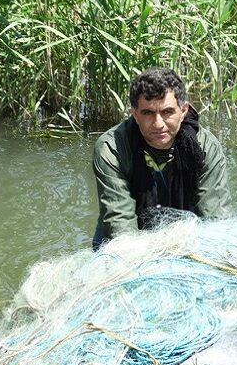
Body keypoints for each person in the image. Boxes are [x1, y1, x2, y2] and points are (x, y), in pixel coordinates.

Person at [92, 67, 229, 248]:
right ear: (134, 113)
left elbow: (214, 218)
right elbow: (120, 223)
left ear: (183, 110)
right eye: (148, 113)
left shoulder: (205, 147)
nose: (158, 124)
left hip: (188, 238)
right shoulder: (111, 148)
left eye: (167, 112)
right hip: (125, 243)